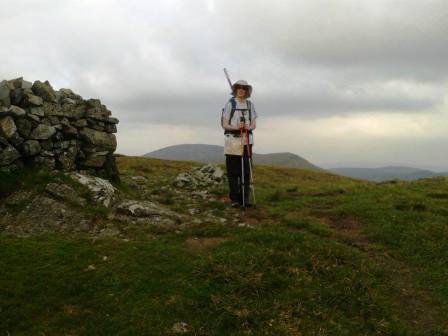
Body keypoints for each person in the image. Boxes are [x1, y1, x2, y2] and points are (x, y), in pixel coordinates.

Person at [222, 80, 257, 207]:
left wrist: (248, 127)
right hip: (232, 140)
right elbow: (224, 124)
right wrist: (236, 126)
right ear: (235, 89)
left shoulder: (250, 105)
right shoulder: (230, 104)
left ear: (247, 91)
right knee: (233, 170)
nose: (241, 90)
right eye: (239, 88)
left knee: (246, 171)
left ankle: (244, 199)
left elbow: (254, 124)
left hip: (247, 140)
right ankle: (235, 200)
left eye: (244, 88)